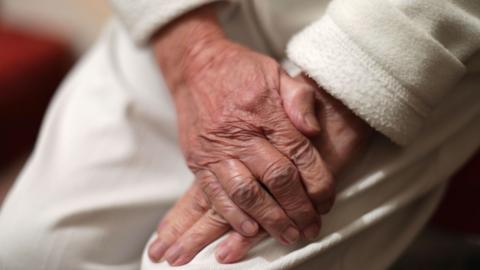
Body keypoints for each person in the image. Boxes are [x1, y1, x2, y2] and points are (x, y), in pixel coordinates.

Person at [1, 0, 479, 270]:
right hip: (188, 17)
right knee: (31, 252)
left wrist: (356, 82)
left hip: (394, 27)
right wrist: (191, 53)